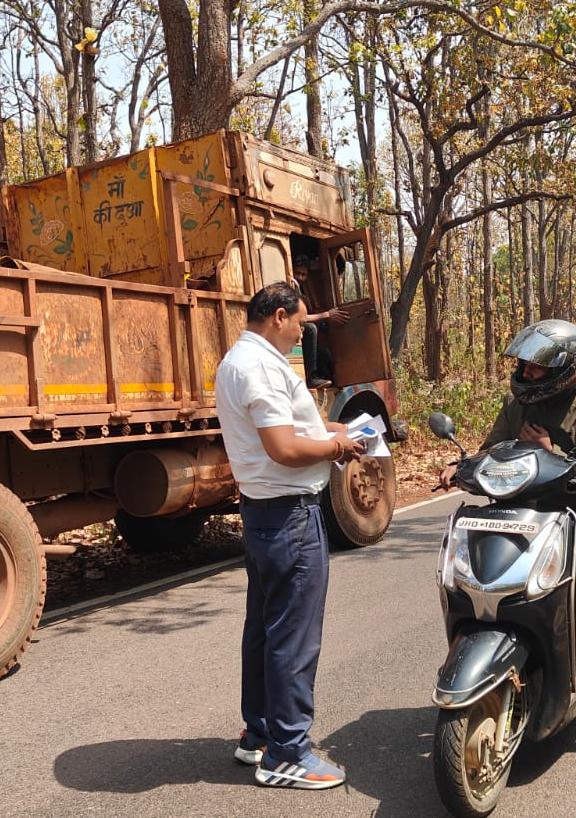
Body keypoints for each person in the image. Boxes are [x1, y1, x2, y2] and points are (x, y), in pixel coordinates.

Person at [437, 319, 576, 771]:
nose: (525, 373)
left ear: (566, 370)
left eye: (535, 367)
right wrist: (461, 468)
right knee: (464, 586)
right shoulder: (516, 404)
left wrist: (549, 451)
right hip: (517, 515)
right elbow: (492, 451)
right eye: (523, 365)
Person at [215, 281, 365, 790]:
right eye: (300, 323)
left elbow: (287, 429)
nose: (303, 333)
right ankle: (288, 753)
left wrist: (329, 432)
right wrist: (338, 449)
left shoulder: (243, 360)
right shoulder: (259, 366)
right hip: (289, 517)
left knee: (265, 628)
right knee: (294, 638)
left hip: (265, 512)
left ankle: (258, 734)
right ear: (278, 316)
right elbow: (282, 447)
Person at [290, 257, 349, 388]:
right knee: (311, 329)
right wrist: (327, 314)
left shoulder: (300, 290)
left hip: (298, 334)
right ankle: (311, 378)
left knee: (324, 353)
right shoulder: (288, 289)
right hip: (289, 332)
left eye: (304, 274)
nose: (300, 277)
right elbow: (302, 318)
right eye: (297, 273)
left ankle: (333, 381)